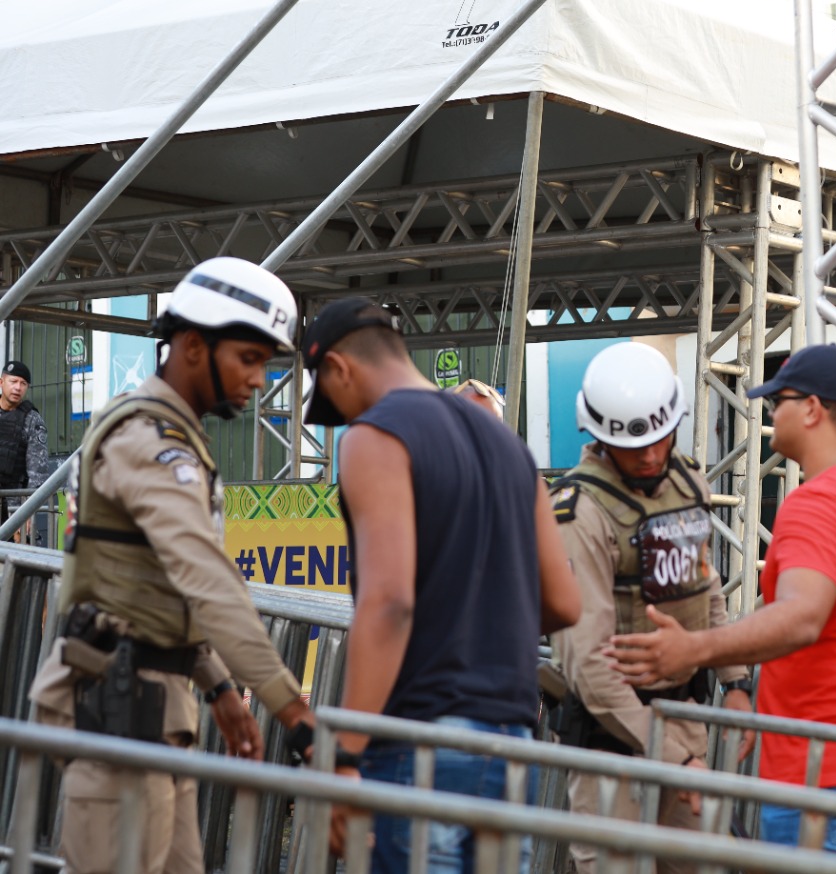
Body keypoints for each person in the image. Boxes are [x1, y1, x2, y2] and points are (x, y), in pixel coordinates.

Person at [26, 257, 318, 874]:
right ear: (191, 346)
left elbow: (151, 586)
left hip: (154, 707)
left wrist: (217, 686)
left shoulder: (171, 437)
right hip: (120, 709)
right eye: (249, 358)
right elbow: (206, 582)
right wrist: (293, 712)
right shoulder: (148, 441)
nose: (259, 379)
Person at [607, 344, 836, 861]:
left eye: (779, 400)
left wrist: (693, 649)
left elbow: (801, 617)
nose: (770, 412)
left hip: (825, 778)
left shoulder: (818, 502)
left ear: (812, 409)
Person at [299, 298, 581, 873]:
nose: (344, 420)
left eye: (334, 405)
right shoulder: (510, 447)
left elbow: (389, 603)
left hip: (419, 738)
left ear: (338, 369)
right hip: (510, 739)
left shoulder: (375, 436)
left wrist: (344, 753)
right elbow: (563, 601)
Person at [546, 342, 753, 874]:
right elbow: (588, 665)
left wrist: (735, 682)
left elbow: (702, 590)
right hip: (612, 744)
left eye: (660, 438)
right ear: (599, 435)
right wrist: (674, 757)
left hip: (682, 724)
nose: (650, 456)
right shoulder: (578, 513)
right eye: (632, 446)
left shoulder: (687, 482)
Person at [0, 359, 50, 537]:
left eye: (23, 384)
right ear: (1, 382)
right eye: (13, 381)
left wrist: (27, 512)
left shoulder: (32, 420)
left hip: (15, 508)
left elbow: (38, 473)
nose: (17, 388)